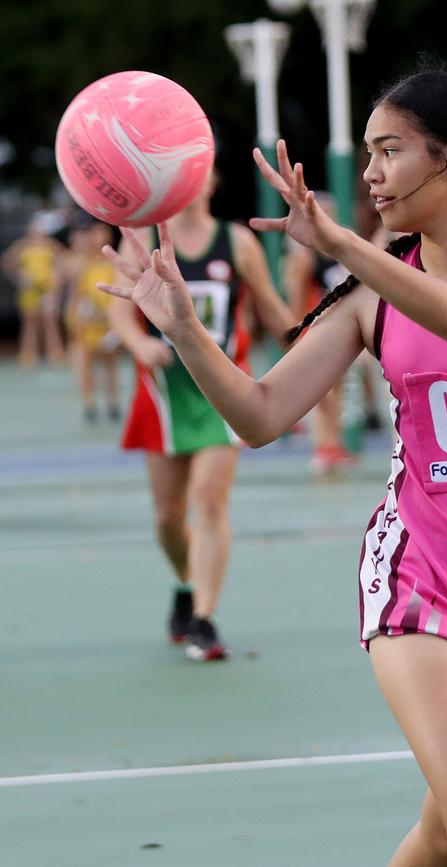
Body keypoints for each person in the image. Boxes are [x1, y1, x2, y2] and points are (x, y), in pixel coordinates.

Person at [99, 67, 447, 864]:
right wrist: (182, 331)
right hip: (424, 571)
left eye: (389, 150)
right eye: (365, 153)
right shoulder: (366, 299)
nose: (369, 173)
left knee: (444, 834)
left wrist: (340, 244)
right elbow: (263, 414)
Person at [109, 169, 293, 662]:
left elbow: (276, 314)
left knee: (209, 500)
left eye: (199, 175)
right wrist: (138, 342)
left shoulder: (237, 243)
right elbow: (116, 311)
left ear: (212, 181)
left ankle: (205, 620)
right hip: (164, 395)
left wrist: (316, 357)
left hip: (221, 394)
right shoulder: (143, 241)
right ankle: (186, 583)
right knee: (169, 519)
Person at [283, 192, 355, 473]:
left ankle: (332, 444)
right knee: (322, 392)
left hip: (338, 328)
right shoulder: (305, 258)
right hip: (315, 328)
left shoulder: (340, 247)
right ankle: (323, 446)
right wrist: (298, 333)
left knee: (336, 389)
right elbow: (297, 298)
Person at [63, 217, 122, 422]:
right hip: (84, 323)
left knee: (110, 364)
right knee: (83, 365)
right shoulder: (77, 261)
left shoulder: (114, 261)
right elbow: (74, 295)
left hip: (107, 322)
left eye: (100, 232)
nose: (95, 237)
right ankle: (89, 404)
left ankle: (113, 402)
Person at [1, 212, 66, 367]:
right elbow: (7, 261)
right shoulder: (22, 245)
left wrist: (56, 281)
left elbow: (62, 263)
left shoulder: (52, 246)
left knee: (50, 321)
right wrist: (18, 277)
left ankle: (55, 352)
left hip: (47, 290)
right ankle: (28, 354)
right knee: (29, 323)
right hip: (30, 291)